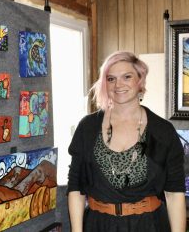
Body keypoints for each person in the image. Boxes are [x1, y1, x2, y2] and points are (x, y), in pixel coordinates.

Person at [67, 51, 186, 232]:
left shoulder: (163, 131)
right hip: (98, 225)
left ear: (140, 81)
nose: (118, 84)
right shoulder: (87, 127)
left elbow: (174, 193)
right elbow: (75, 187)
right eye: (111, 79)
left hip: (149, 225)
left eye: (127, 77)